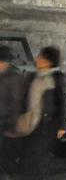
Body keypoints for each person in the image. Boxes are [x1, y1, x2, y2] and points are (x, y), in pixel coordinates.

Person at [13, 46, 66, 171]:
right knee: (27, 153)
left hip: (46, 124)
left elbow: (62, 103)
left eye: (40, 57)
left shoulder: (57, 78)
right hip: (29, 120)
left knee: (38, 156)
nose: (37, 59)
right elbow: (24, 98)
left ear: (48, 61)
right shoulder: (32, 76)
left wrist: (62, 125)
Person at [0, 45, 24, 176]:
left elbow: (17, 104)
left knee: (6, 158)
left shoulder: (13, 77)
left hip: (7, 124)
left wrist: (13, 127)